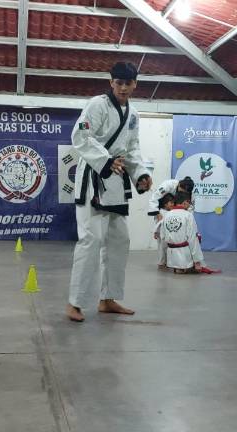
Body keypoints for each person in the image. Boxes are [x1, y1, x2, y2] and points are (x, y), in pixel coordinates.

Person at [66, 62, 153, 322]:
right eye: (119, 82)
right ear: (111, 82)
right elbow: (80, 137)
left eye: (129, 83)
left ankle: (108, 298)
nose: (124, 87)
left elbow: (132, 148)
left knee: (119, 240)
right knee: (91, 240)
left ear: (135, 84)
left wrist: (141, 174)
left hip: (116, 182)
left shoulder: (134, 114)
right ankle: (75, 303)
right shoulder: (97, 104)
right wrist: (105, 161)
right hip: (94, 177)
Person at [148, 176, 194, 269]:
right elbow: (154, 197)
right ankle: (162, 262)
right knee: (162, 239)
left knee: (178, 238)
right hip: (162, 212)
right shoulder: (168, 185)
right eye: (182, 191)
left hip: (177, 213)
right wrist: (157, 213)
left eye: (185, 193)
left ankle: (177, 261)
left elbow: (190, 207)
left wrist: (186, 218)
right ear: (179, 185)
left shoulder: (190, 193)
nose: (183, 193)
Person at [160, 191, 203, 274]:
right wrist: (197, 261)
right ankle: (187, 266)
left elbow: (162, 237)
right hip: (185, 257)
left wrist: (163, 260)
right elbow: (192, 238)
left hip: (171, 258)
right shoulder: (188, 215)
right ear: (185, 202)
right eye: (189, 202)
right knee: (195, 237)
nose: (189, 205)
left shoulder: (167, 215)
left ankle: (177, 267)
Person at [154, 193, 174, 270]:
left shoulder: (172, 212)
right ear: (165, 204)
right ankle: (161, 263)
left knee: (167, 249)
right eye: (171, 203)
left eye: (173, 202)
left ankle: (167, 262)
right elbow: (157, 223)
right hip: (161, 234)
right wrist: (155, 232)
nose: (173, 204)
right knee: (161, 249)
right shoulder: (160, 212)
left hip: (169, 234)